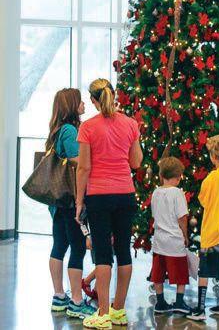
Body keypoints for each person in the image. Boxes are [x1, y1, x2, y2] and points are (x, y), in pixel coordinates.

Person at [76, 79, 143, 330]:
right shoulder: (130, 124)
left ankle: (102, 314)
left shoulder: (88, 127)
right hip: (125, 194)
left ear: (94, 101)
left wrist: (79, 202)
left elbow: (84, 168)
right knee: (123, 251)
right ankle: (118, 311)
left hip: (99, 196)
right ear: (113, 96)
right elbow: (136, 162)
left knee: (103, 254)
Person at [187, 112, 219, 322]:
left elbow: (203, 200)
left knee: (205, 270)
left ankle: (200, 309)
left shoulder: (211, 179)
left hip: (212, 231)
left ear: (214, 157)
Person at [47, 88, 95, 319]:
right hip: (69, 200)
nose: (84, 104)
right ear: (71, 105)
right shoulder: (69, 130)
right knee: (77, 248)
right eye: (80, 101)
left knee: (59, 246)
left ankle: (59, 296)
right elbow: (77, 160)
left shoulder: (57, 129)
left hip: (58, 201)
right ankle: (76, 301)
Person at [150, 157, 190, 315]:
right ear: (178, 176)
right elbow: (182, 218)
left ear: (161, 175)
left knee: (158, 272)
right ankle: (179, 302)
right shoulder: (177, 193)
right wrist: (185, 235)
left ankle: (160, 302)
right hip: (174, 240)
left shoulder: (156, 192)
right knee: (180, 272)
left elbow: (154, 214)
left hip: (159, 240)